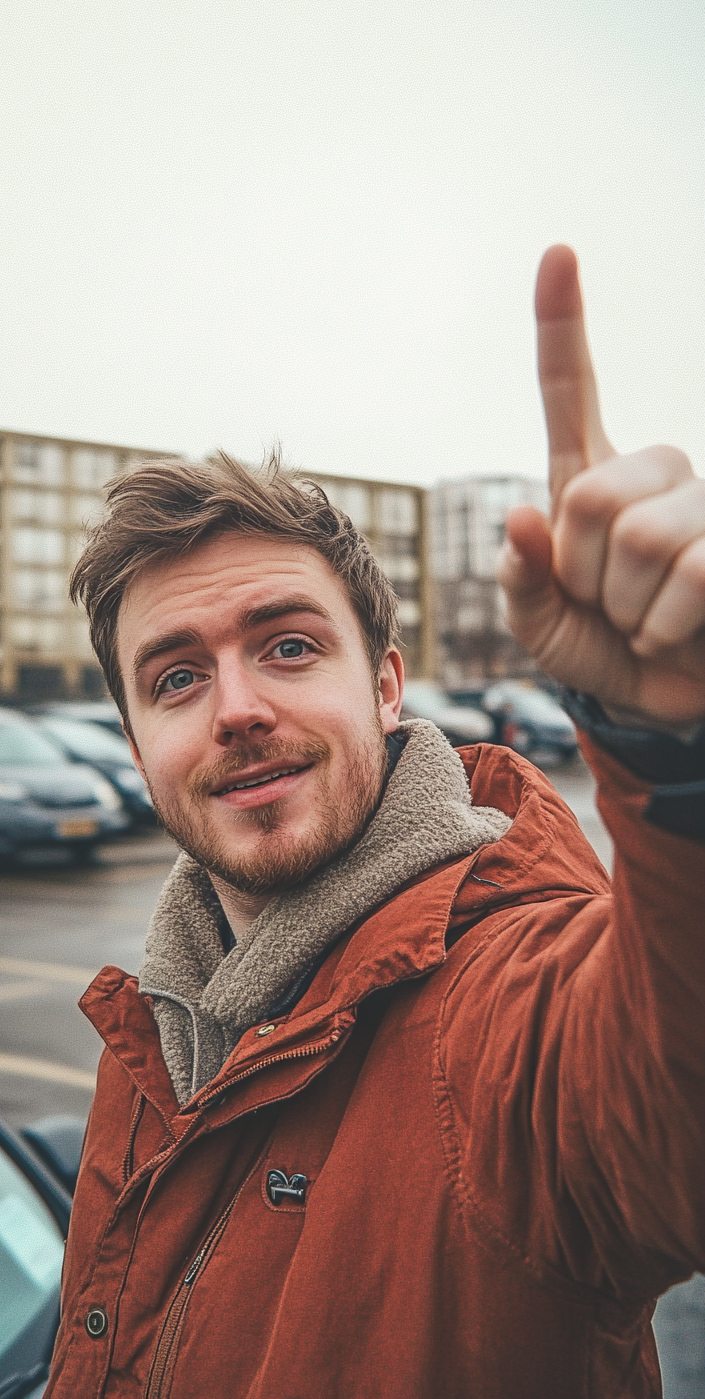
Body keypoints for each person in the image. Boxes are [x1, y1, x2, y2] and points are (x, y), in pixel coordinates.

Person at [44, 246, 704, 1399]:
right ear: (136, 737)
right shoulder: (149, 1039)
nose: (239, 708)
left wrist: (675, 749)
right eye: (177, 678)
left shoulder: (505, 1018)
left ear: (389, 686)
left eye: (289, 645)